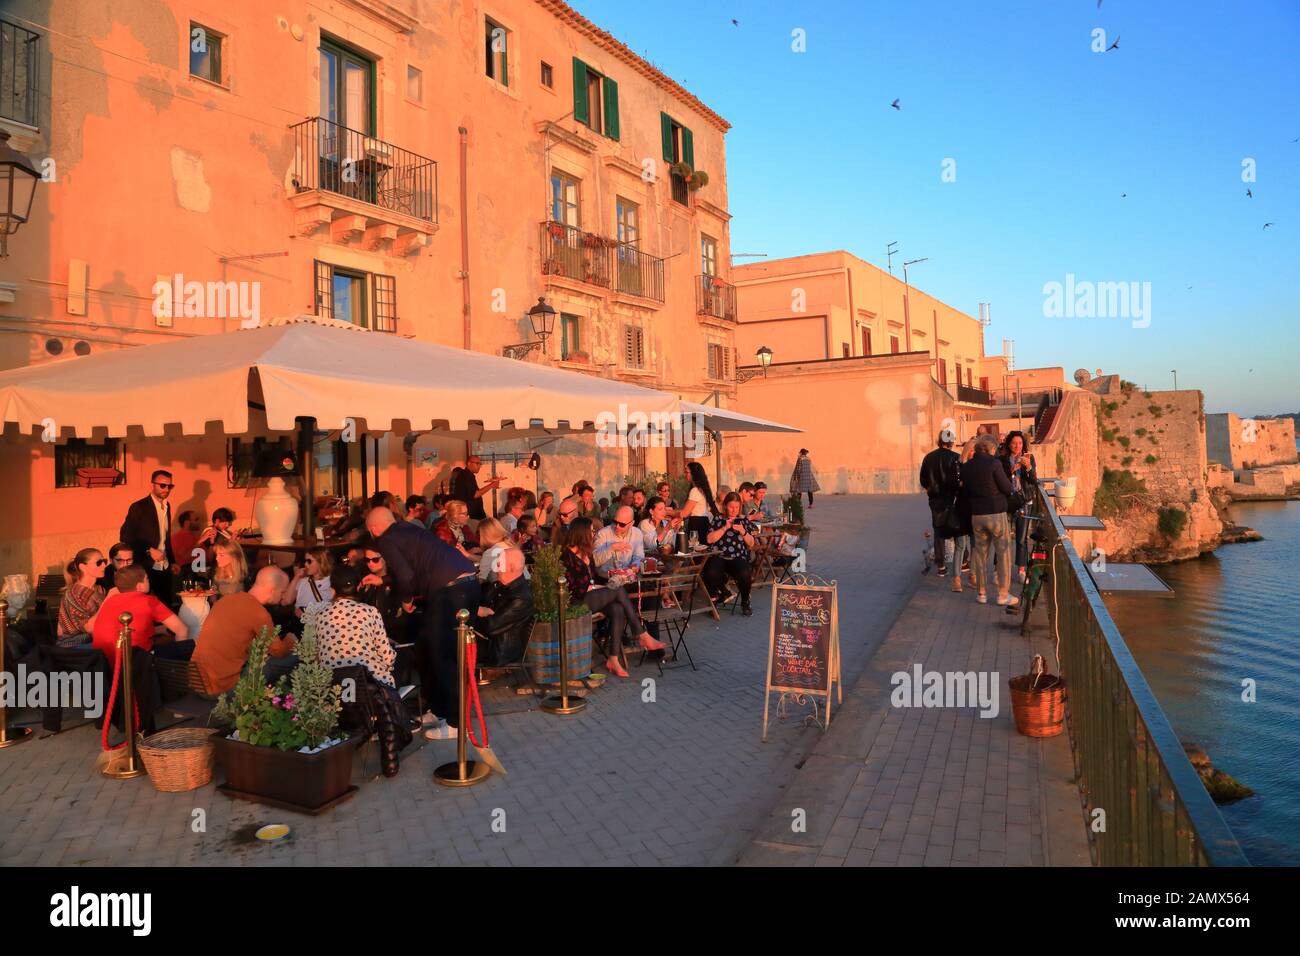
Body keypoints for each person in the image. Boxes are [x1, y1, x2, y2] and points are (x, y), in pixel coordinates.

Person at [365, 506, 479, 740]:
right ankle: (439, 709)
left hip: (449, 592)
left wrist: (405, 600)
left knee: (444, 656)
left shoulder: (386, 539)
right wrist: (384, 579)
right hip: (465, 584)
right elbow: (415, 567)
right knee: (425, 648)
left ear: (373, 529)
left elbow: (406, 577)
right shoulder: (406, 529)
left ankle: (457, 723)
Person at [560, 518, 664, 679]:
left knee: (618, 608)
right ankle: (641, 633)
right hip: (575, 601)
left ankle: (613, 659)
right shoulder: (566, 556)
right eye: (591, 531)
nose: (593, 534)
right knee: (617, 590)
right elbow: (574, 589)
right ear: (582, 533)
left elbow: (591, 582)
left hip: (588, 596)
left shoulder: (585, 552)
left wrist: (598, 587)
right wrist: (598, 588)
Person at [191, 566, 297, 695]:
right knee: (294, 657)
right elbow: (278, 651)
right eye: (282, 592)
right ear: (272, 590)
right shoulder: (258, 612)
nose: (283, 597)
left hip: (196, 682)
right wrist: (290, 640)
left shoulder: (225, 600)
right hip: (224, 688)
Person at [304, 563, 396, 688]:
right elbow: (387, 658)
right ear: (358, 587)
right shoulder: (370, 611)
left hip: (333, 687)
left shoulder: (319, 616)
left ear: (332, 590)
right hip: (370, 687)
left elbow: (313, 657)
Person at [960, 435, 1019, 607]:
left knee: (980, 554)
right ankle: (1003, 594)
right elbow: (1007, 488)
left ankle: (982, 593)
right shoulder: (994, 464)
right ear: (991, 449)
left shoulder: (967, 467)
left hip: (976, 515)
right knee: (1003, 553)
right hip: (995, 512)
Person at [91, 565, 189, 666]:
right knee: (188, 645)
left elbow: (125, 628)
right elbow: (182, 630)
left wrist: (159, 630)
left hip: (104, 665)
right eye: (147, 579)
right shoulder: (149, 601)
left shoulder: (109, 601)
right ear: (139, 586)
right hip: (135, 664)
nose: (149, 581)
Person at [119, 469, 177, 603]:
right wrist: (149, 550)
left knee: (166, 606)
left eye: (170, 486)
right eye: (163, 485)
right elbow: (125, 536)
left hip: (164, 566)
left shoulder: (167, 506)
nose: (166, 489)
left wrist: (173, 561)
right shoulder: (139, 507)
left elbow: (165, 538)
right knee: (146, 606)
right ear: (153, 484)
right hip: (146, 566)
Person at [474, 547, 534, 667]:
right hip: (489, 643)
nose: (496, 566)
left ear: (511, 568)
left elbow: (490, 627)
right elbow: (480, 598)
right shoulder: (502, 585)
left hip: (496, 651)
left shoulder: (521, 597)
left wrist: (475, 612)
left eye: (500, 563)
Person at [702, 492, 758, 615]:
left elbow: (751, 543)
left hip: (737, 557)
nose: (734, 510)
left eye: (736, 507)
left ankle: (745, 601)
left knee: (745, 573)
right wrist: (724, 528)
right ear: (725, 506)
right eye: (731, 507)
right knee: (710, 572)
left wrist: (743, 532)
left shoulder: (743, 520)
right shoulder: (718, 519)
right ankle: (716, 597)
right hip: (720, 556)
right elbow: (709, 539)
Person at [919, 429, 963, 576]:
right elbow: (960, 480)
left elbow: (923, 480)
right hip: (953, 499)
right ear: (951, 442)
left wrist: (930, 488)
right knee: (956, 527)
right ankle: (963, 561)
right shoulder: (956, 457)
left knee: (938, 530)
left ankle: (941, 566)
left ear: (939, 440)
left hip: (935, 499)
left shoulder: (928, 458)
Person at [1000, 430, 1039, 583]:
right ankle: (999, 569)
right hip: (1008, 502)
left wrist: (1029, 467)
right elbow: (999, 480)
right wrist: (1010, 471)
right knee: (1003, 538)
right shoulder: (1002, 460)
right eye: (1014, 443)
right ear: (1009, 444)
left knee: (1021, 539)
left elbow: (1034, 481)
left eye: (1020, 443)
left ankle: (1021, 570)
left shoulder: (1029, 458)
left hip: (1024, 502)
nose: (1017, 446)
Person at [57, 548, 113, 647]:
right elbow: (89, 628)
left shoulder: (99, 589)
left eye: (104, 561)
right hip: (76, 646)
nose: (104, 565)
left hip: (97, 640)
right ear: (83, 567)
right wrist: (109, 598)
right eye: (99, 562)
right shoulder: (74, 594)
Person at [358, 547, 409, 643]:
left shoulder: (398, 579)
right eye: (367, 560)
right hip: (373, 637)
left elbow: (405, 582)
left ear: (385, 558)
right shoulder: (366, 581)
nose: (370, 563)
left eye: (375, 560)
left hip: (396, 636)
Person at [950, 439, 978, 593]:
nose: (973, 453)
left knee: (975, 544)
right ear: (967, 450)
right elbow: (953, 484)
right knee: (961, 545)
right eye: (971, 450)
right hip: (961, 509)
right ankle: (956, 578)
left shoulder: (978, 467)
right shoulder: (957, 465)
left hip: (975, 510)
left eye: (976, 450)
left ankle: (972, 575)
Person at [593, 506, 645, 577]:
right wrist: (611, 548)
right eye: (615, 522)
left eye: (622, 524)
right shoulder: (603, 534)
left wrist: (635, 564)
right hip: (606, 580)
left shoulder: (637, 533)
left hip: (628, 579)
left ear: (631, 523)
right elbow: (595, 561)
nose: (617, 526)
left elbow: (639, 556)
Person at [284, 548, 334, 617]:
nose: (305, 564)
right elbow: (287, 601)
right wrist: (296, 577)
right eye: (305, 561)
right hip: (300, 623)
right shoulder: (303, 581)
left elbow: (332, 608)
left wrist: (307, 611)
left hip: (319, 624)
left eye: (309, 561)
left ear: (321, 562)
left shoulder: (332, 581)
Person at [452, 454, 503, 522]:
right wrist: (491, 485)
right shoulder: (465, 476)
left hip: (474, 513)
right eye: (477, 464)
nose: (479, 466)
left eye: (480, 464)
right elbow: (475, 494)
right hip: (471, 515)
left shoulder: (468, 475)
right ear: (469, 463)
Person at [680, 461, 718, 545]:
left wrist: (668, 512)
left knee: (696, 550)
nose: (685, 475)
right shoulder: (702, 489)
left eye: (687, 472)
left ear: (693, 474)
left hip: (696, 524)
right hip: (703, 522)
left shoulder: (695, 490)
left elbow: (685, 513)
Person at [476, 517, 516, 583]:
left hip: (504, 591)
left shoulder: (490, 552)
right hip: (524, 588)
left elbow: (480, 579)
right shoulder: (511, 545)